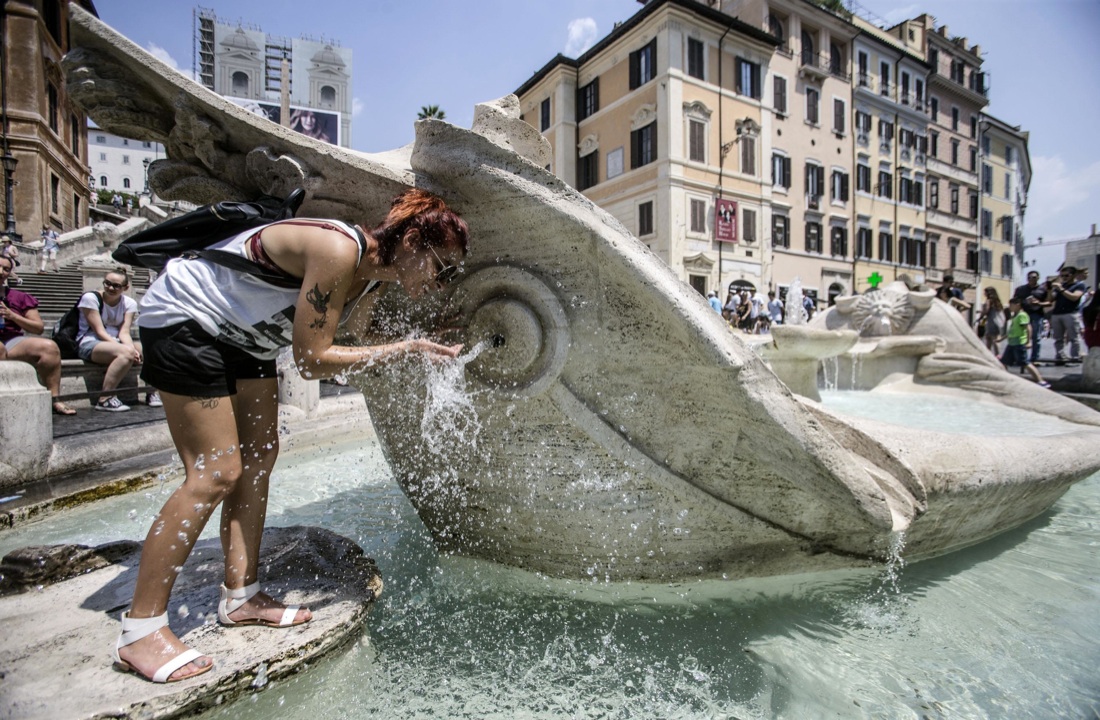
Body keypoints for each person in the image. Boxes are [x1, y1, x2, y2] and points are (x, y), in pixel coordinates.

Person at [112, 189, 469, 684]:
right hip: (187, 320)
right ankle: (141, 628)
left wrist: (431, 336)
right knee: (216, 471)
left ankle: (240, 595)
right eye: (442, 268)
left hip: (242, 339)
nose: (441, 283)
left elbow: (357, 342)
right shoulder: (339, 249)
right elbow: (312, 359)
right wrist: (407, 348)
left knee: (260, 455)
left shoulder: (369, 280)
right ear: (411, 241)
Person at [0, 255, 76, 414]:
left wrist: (12, 316)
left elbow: (38, 328)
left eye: (6, 269)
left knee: (49, 347)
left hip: (12, 341)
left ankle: (55, 399)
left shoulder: (19, 297)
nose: (1, 272)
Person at [76, 270, 157, 411]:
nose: (111, 288)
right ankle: (105, 398)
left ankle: (152, 392)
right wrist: (128, 350)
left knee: (152, 349)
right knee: (126, 353)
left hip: (115, 342)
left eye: (116, 285)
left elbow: (124, 331)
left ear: (125, 288)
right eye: (107, 283)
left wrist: (130, 347)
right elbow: (99, 331)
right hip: (89, 342)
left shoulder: (129, 303)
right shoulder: (90, 298)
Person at [1002, 296, 1049, 387]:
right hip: (1012, 343)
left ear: (1018, 305)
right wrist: (1002, 338)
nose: (1010, 307)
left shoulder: (1022, 315)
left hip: (1019, 342)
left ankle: (1041, 381)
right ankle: (1005, 380)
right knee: (1004, 362)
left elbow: (1028, 328)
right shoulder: (1015, 316)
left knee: (1025, 362)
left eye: (1011, 305)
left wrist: (1028, 341)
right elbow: (1012, 330)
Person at [1049, 265, 1086, 365]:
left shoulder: (1079, 285)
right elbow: (1051, 299)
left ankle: (1075, 357)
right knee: (1058, 338)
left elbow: (1074, 297)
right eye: (1062, 276)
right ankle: (1060, 356)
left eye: (1066, 275)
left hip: (1071, 313)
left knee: (1074, 337)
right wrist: (1049, 289)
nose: (1064, 278)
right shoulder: (1062, 285)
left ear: (1073, 275)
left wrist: (1061, 289)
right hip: (1057, 313)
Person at [1013, 270, 1049, 364]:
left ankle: (1034, 358)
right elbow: (1015, 301)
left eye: (1034, 277)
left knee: (1036, 337)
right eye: (1029, 277)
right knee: (1019, 335)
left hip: (1036, 314)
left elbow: (1049, 302)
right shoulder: (1020, 289)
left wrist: (1039, 303)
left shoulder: (1043, 289)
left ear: (1038, 278)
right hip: (1023, 314)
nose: (1031, 279)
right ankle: (1020, 357)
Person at [977, 287, 1006, 354]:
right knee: (990, 338)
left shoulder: (989, 300)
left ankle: (994, 355)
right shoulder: (997, 302)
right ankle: (992, 354)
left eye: (985, 292)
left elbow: (986, 310)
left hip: (991, 322)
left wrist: (980, 316)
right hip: (997, 322)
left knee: (992, 338)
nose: (984, 293)